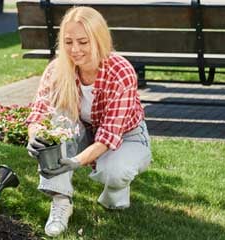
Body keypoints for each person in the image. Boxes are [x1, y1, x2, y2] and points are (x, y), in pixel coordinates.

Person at [24, 6, 153, 237]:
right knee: (57, 123)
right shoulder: (57, 68)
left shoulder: (120, 70)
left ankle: (115, 190)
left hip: (126, 136)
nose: (75, 50)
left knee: (115, 172)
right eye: (68, 42)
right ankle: (61, 201)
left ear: (99, 39)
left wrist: (75, 162)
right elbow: (39, 112)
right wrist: (34, 136)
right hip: (83, 129)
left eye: (83, 42)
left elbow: (108, 135)